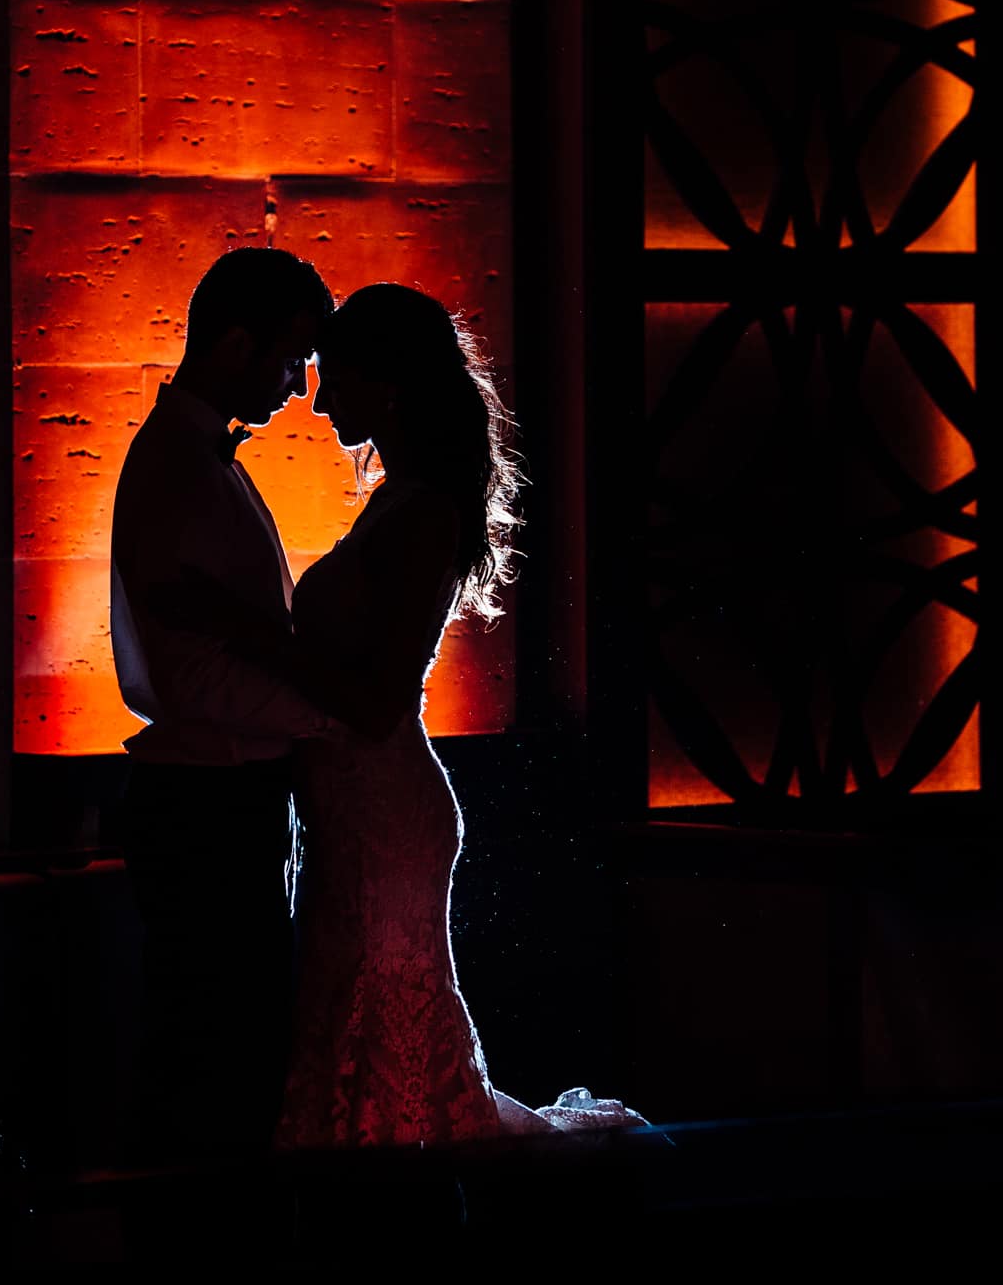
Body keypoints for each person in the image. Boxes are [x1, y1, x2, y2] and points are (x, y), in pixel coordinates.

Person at [161, 282, 644, 1147]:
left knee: (389, 1051)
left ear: (388, 388)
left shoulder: (421, 512)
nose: (316, 400)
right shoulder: (401, 501)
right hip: (350, 813)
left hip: (382, 814)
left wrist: (239, 628)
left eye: (335, 379)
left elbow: (373, 700)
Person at [109, 244, 335, 1156]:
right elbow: (181, 677)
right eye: (289, 361)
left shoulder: (197, 456)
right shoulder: (177, 465)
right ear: (235, 344)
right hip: (207, 806)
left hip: (223, 798)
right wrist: (330, 709)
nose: (296, 389)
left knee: (233, 1053)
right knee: (219, 1064)